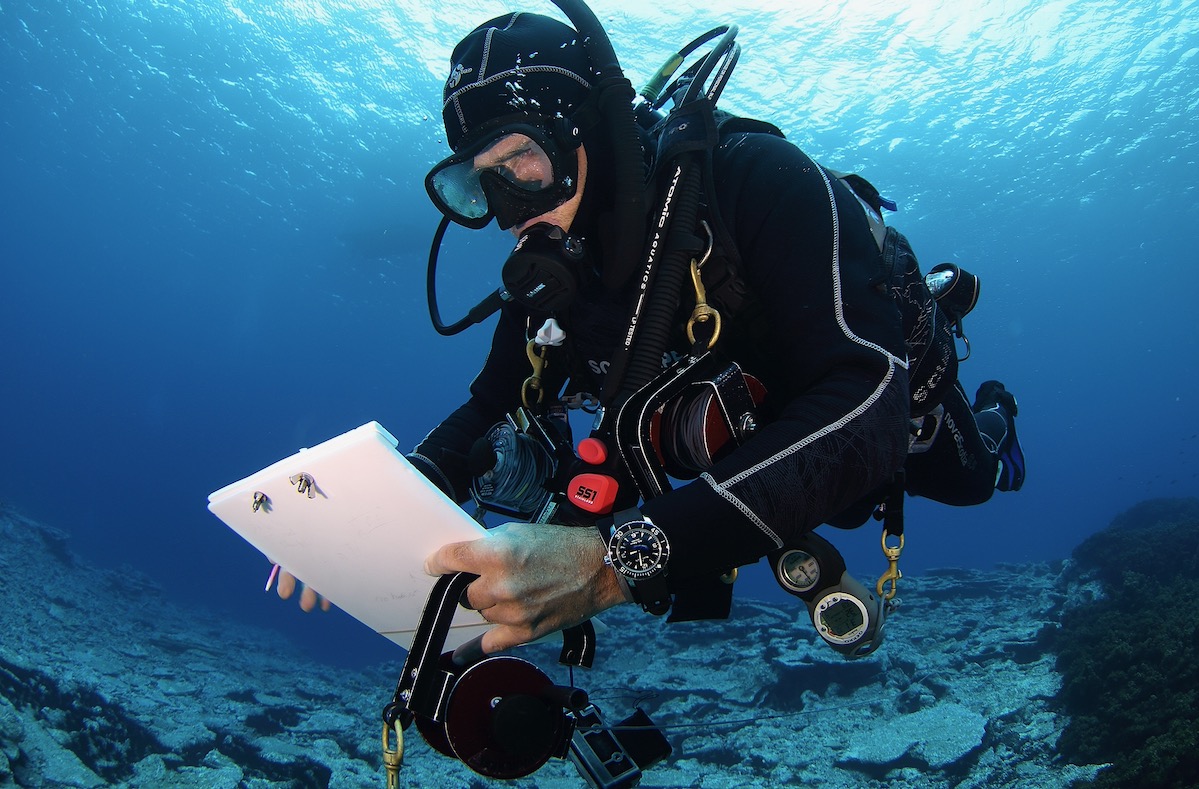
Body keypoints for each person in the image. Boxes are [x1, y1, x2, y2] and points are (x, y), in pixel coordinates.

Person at [279, 12, 1026, 656]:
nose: (509, 209)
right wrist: (373, 518)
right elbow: (493, 403)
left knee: (971, 484)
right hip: (749, 458)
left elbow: (868, 402)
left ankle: (991, 407)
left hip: (885, 406)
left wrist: (610, 565)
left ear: (590, 133)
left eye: (523, 163)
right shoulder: (552, 262)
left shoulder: (757, 180)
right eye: (480, 184)